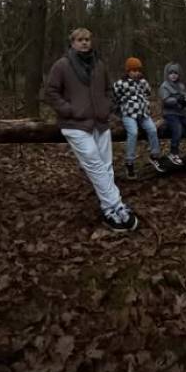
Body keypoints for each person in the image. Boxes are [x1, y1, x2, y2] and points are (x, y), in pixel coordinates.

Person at [45, 28, 138, 233]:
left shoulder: (99, 64)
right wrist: (69, 110)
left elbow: (108, 89)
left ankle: (110, 210)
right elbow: (51, 91)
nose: (84, 43)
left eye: (87, 39)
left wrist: (106, 107)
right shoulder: (62, 65)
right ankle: (117, 204)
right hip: (75, 124)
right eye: (80, 40)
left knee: (106, 166)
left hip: (100, 122)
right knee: (94, 162)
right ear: (72, 43)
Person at [112, 57, 165, 179]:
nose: (136, 72)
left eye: (138, 70)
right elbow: (114, 97)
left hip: (143, 114)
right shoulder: (120, 83)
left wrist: (143, 102)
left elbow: (148, 92)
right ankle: (129, 162)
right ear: (128, 71)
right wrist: (119, 110)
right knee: (133, 132)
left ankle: (154, 155)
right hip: (129, 114)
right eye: (133, 70)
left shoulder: (143, 82)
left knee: (152, 129)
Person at [158, 62, 186, 166]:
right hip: (170, 113)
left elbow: (185, 97)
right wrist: (176, 99)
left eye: (175, 73)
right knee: (177, 129)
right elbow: (165, 100)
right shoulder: (164, 86)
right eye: (171, 73)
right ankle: (173, 153)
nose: (173, 75)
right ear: (167, 74)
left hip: (181, 112)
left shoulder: (181, 85)